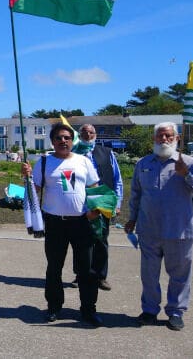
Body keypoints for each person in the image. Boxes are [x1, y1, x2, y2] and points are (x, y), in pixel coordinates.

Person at [125, 122, 193, 331]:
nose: (164, 139)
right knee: (149, 274)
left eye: (169, 136)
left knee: (180, 274)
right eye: (160, 136)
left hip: (179, 231)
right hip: (149, 229)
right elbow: (136, 194)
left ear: (177, 139)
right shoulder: (143, 163)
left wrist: (186, 174)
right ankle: (150, 310)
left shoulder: (189, 162)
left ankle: (176, 312)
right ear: (154, 139)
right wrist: (132, 218)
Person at [22, 123, 103, 327]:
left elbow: (94, 186)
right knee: (54, 268)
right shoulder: (43, 162)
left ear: (72, 140)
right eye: (58, 138)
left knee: (86, 270)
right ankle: (54, 307)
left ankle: (88, 309)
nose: (63, 141)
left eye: (67, 137)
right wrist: (28, 177)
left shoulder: (83, 161)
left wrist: (95, 210)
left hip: (82, 223)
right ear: (52, 141)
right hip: (55, 223)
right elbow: (35, 189)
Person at [69, 124, 123, 291]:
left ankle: (100, 276)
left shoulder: (107, 153)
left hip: (103, 200)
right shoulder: (73, 153)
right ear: (80, 134)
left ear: (95, 134)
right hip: (80, 203)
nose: (88, 134)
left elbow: (117, 179)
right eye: (84, 131)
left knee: (101, 240)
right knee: (80, 241)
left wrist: (117, 202)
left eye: (91, 132)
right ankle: (81, 275)